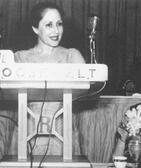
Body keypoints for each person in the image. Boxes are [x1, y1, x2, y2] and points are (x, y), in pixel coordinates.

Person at [0, 2, 85, 161]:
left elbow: (85, 91)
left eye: (59, 24)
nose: (56, 31)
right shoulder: (19, 58)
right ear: (35, 29)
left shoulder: (72, 56)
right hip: (27, 131)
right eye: (49, 25)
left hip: (62, 131)